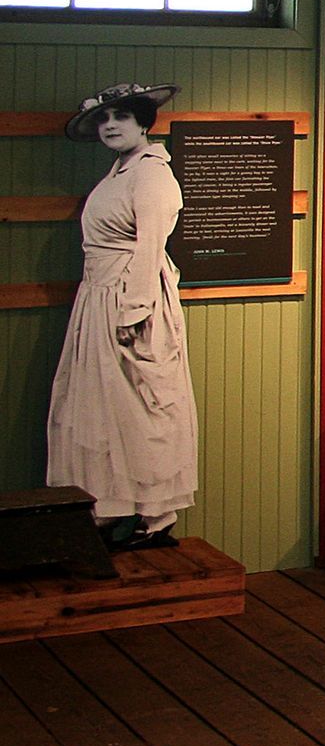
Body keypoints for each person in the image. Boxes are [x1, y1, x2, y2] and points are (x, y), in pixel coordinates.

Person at [46, 82, 199, 548]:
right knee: (105, 410)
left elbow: (150, 248)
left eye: (122, 118)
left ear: (143, 123)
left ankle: (154, 516)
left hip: (132, 300)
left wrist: (132, 312)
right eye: (103, 121)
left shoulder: (152, 176)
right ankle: (115, 506)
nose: (110, 126)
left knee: (143, 410)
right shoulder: (119, 172)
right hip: (100, 296)